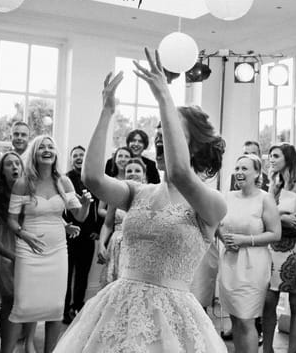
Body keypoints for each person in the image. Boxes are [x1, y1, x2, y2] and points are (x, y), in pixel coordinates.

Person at [53, 48, 228, 352]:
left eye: (168, 128)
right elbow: (92, 178)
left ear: (196, 146)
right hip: (119, 306)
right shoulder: (138, 192)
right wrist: (106, 112)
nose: (159, 134)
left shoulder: (212, 202)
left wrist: (165, 99)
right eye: (159, 130)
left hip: (172, 317)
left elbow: (181, 173)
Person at [6, 135, 91, 353]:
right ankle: (14, 347)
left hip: (58, 251)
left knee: (55, 307)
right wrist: (24, 235)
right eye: (41, 147)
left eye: (50, 147)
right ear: (34, 153)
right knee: (23, 305)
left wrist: (85, 205)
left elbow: (79, 216)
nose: (46, 150)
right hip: (29, 250)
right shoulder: (23, 183)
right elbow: (12, 220)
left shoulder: (64, 182)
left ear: (55, 153)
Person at [219, 154, 280, 353]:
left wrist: (245, 240)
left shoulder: (265, 198)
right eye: (237, 168)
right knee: (235, 318)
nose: (239, 173)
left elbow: (275, 233)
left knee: (246, 319)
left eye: (244, 169)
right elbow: (217, 225)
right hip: (230, 261)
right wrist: (225, 239)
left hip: (254, 263)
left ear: (257, 173)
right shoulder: (227, 197)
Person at [263, 143, 296, 353]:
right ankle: (267, 349)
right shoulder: (274, 184)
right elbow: (265, 214)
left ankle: (292, 351)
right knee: (268, 302)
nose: (271, 160)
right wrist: (284, 217)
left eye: (275, 156)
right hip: (274, 247)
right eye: (270, 156)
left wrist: (279, 216)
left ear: (289, 158)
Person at [0, 152, 36, 353]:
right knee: (10, 298)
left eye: (18, 163)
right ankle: (6, 348)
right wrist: (11, 256)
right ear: (2, 171)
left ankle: (29, 341)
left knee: (32, 296)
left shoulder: (31, 190)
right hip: (6, 245)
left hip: (30, 241)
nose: (15, 167)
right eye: (9, 164)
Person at [62, 145, 100, 324]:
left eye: (81, 156)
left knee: (83, 275)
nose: (78, 158)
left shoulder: (93, 179)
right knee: (66, 274)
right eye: (75, 155)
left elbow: (101, 206)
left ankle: (77, 306)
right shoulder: (65, 179)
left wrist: (97, 230)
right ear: (71, 159)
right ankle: (63, 309)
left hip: (88, 236)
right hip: (68, 234)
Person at [97, 157, 147, 288]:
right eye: (129, 170)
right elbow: (107, 225)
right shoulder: (117, 195)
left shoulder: (151, 196)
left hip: (139, 247)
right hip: (116, 247)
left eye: (137, 170)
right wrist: (101, 244)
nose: (133, 173)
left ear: (144, 175)